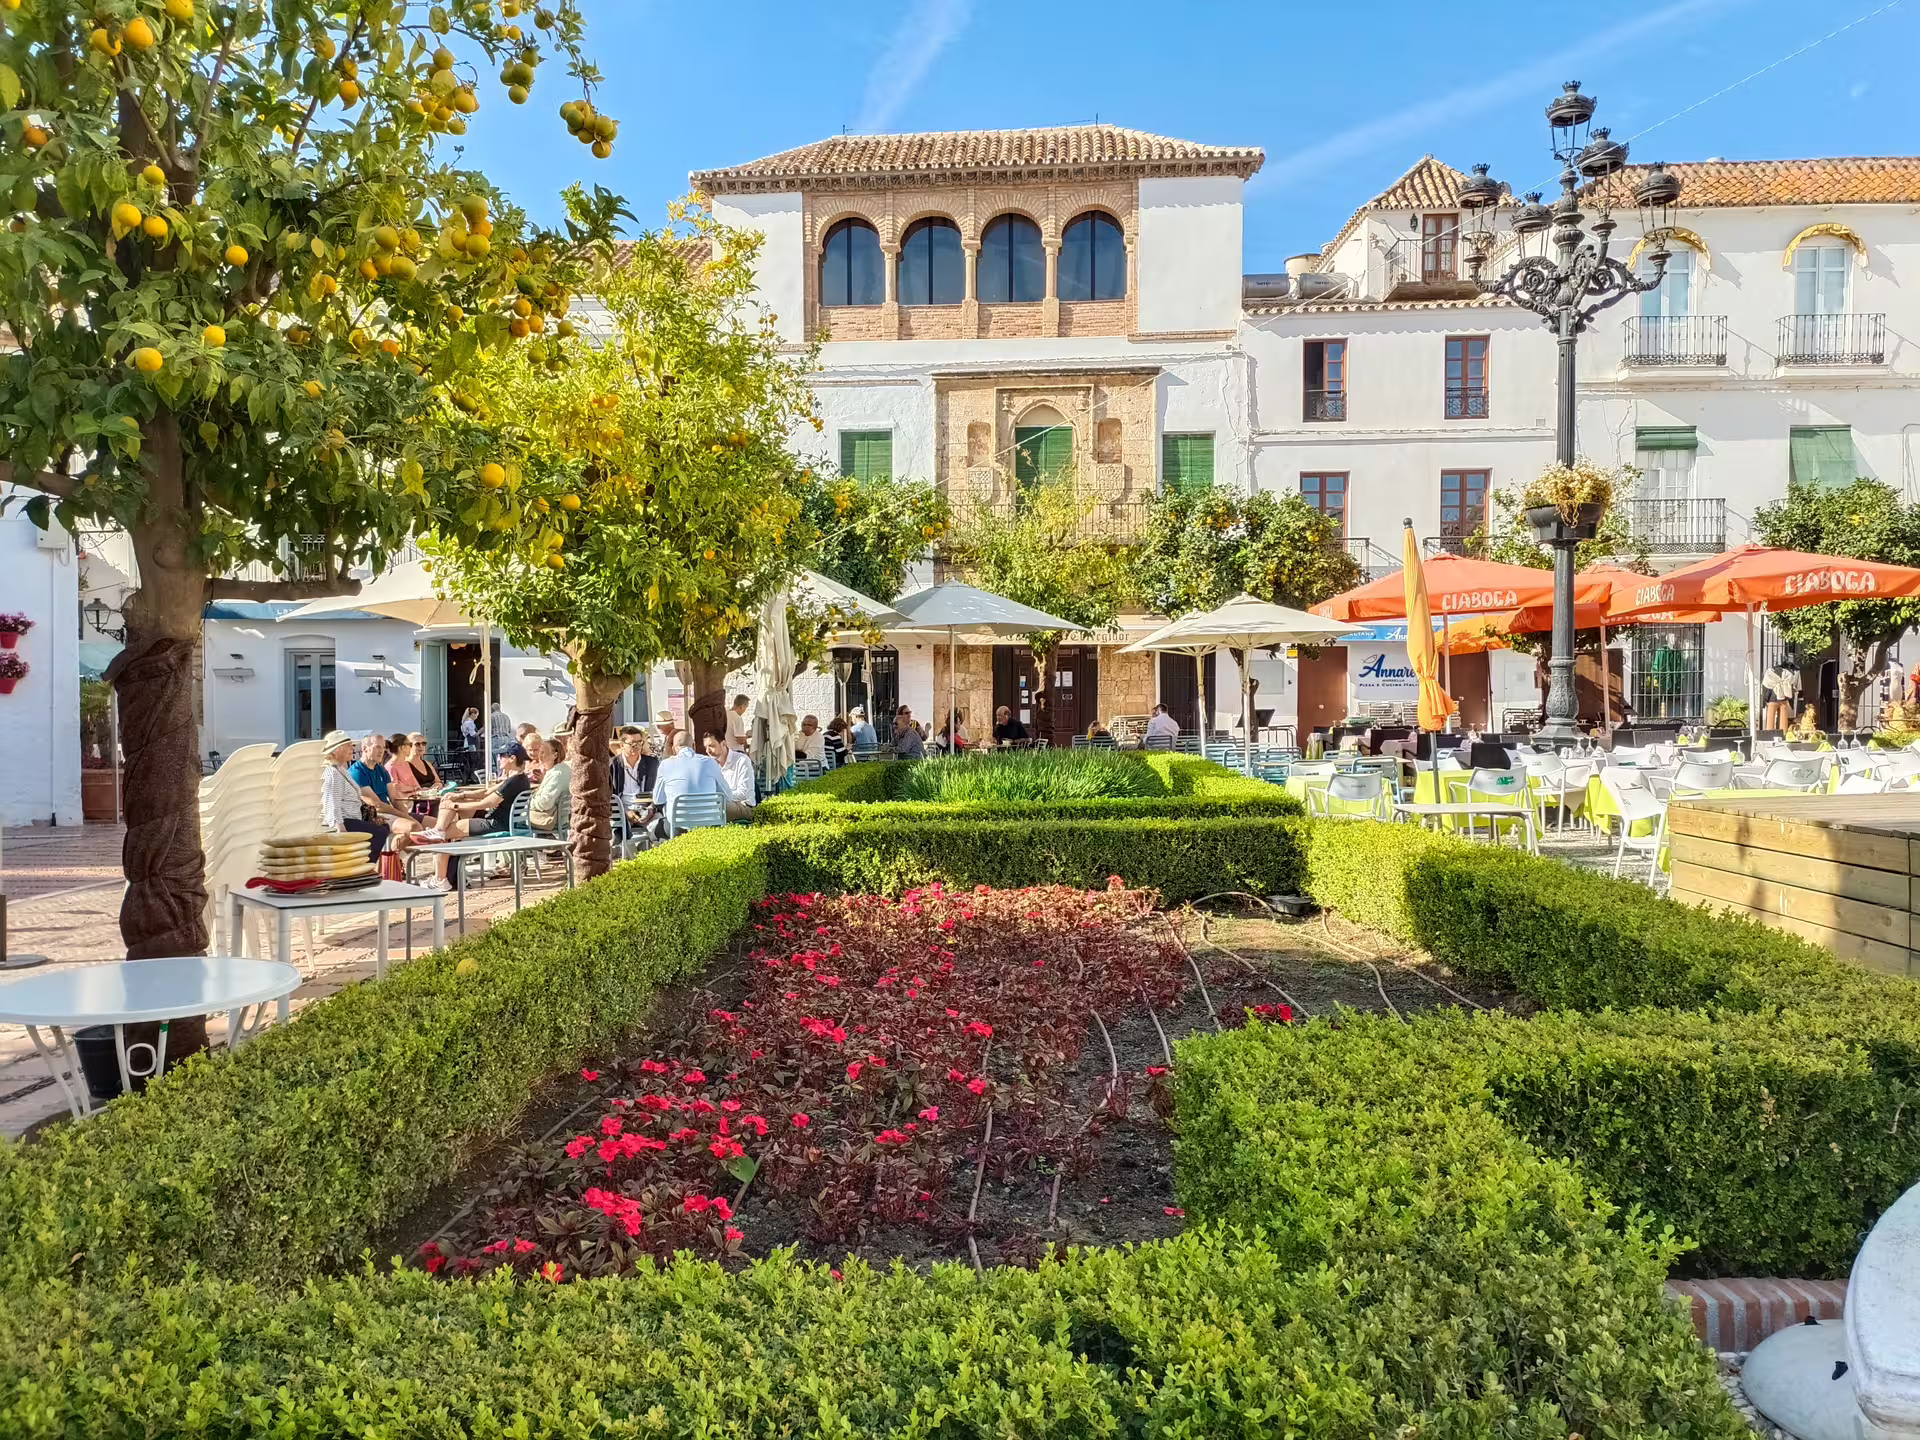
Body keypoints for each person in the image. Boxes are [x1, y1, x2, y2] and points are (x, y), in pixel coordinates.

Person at [430, 744, 533, 882]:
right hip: (500, 821)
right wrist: (459, 796)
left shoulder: (512, 782)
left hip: (495, 824)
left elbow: (487, 803)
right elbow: (485, 792)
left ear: (512, 758)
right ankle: (439, 832)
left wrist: (455, 805)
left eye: (502, 756)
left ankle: (440, 879)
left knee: (442, 836)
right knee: (446, 815)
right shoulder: (520, 778)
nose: (498, 758)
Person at [320, 730, 389, 865]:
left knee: (384, 827)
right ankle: (364, 867)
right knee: (378, 832)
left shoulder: (340, 769)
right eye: (348, 746)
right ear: (336, 750)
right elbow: (331, 802)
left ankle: (364, 865)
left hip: (352, 818)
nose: (352, 749)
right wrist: (340, 828)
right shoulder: (332, 772)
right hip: (344, 821)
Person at [646, 729, 733, 836]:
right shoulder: (710, 762)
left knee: (654, 833)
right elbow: (728, 796)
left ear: (674, 749)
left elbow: (658, 799)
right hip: (710, 824)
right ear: (694, 745)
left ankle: (671, 851)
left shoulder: (665, 765)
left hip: (678, 826)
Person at [347, 732, 418, 852]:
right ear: (365, 749)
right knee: (414, 827)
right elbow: (377, 805)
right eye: (377, 747)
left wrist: (405, 813)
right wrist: (404, 816)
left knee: (435, 825)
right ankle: (390, 859)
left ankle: (390, 858)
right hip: (372, 815)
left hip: (389, 812)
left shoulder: (381, 769)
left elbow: (394, 798)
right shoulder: (357, 772)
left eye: (384, 747)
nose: (382, 751)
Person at [703, 730, 758, 820]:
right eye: (706, 747)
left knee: (717, 808)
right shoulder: (710, 764)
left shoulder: (741, 760)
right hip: (721, 804)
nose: (708, 751)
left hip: (744, 806)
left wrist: (719, 798)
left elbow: (744, 793)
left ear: (723, 743)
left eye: (712, 746)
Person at [610, 726, 658, 824]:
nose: (636, 746)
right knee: (615, 835)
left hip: (646, 810)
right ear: (622, 745)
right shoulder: (611, 765)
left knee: (662, 828)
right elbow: (606, 795)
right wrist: (625, 812)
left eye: (639, 742)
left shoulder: (652, 763)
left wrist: (650, 809)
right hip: (620, 811)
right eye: (631, 743)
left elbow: (659, 791)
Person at [524, 734, 570, 834]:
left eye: (543, 752)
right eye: (539, 752)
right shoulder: (560, 770)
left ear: (555, 755)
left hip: (550, 820)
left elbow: (545, 803)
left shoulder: (558, 773)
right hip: (558, 817)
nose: (539, 755)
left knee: (509, 817)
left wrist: (527, 803)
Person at [386, 733, 426, 814]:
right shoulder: (391, 767)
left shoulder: (406, 764)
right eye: (410, 745)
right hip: (407, 805)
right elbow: (396, 792)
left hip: (415, 798)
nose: (411, 748)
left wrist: (410, 789)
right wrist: (413, 789)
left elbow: (416, 786)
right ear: (402, 747)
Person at [1763, 661, 1798, 734]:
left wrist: (1766, 699)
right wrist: (1790, 700)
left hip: (1772, 699)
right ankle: (1783, 734)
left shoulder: (1769, 676)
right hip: (1784, 698)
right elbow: (1791, 689)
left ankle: (1769, 734)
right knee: (1783, 718)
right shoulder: (1788, 675)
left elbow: (1767, 689)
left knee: (1770, 718)